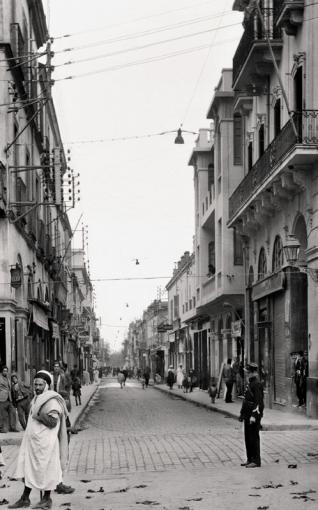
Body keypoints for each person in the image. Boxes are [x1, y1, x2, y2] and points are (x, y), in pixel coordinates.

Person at [9, 370, 70, 509]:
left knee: (47, 470)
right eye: (35, 384)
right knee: (29, 469)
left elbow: (53, 422)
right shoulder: (37, 398)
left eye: (40, 385)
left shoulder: (52, 400)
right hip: (33, 443)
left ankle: (47, 499)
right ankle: (25, 498)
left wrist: (39, 414)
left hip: (46, 444)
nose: (37, 387)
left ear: (47, 385)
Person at [239, 362, 264, 469]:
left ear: (252, 373)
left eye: (248, 372)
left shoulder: (256, 384)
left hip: (253, 415)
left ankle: (256, 460)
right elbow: (246, 400)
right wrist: (242, 413)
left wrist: (254, 416)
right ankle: (250, 459)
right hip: (247, 414)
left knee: (254, 437)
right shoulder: (251, 383)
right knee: (248, 438)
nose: (246, 374)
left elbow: (258, 402)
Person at [0, 365, 18, 433]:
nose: (6, 372)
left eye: (6, 371)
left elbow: (9, 388)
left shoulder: (8, 378)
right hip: (1, 398)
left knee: (13, 412)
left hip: (9, 398)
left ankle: (13, 427)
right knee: (2, 415)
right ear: (1, 371)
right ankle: (1, 428)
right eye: (4, 371)